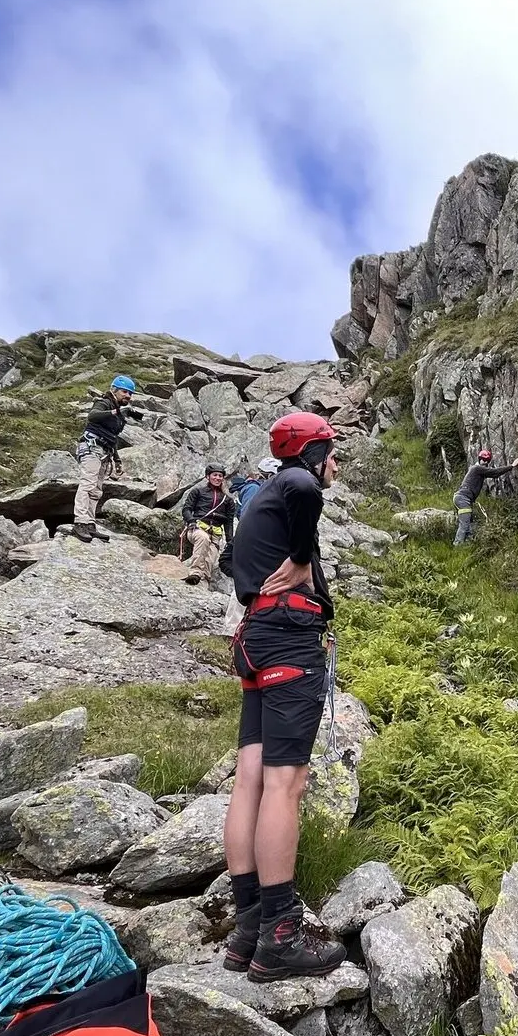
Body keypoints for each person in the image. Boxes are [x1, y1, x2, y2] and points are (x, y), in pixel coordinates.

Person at [221, 411, 346, 982]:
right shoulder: (296, 481)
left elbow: (233, 562)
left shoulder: (259, 499)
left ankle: (248, 926)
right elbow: (304, 487)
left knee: (250, 777)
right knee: (285, 783)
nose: (335, 463)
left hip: (257, 638)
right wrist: (299, 560)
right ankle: (279, 935)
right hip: (289, 638)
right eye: (331, 453)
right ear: (313, 454)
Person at [72, 375, 142, 542]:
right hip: (91, 447)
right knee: (88, 484)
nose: (128, 396)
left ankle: (89, 523)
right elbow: (92, 416)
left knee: (96, 489)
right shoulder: (104, 402)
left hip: (105, 451)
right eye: (124, 392)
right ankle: (80, 522)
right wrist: (116, 411)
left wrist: (117, 459)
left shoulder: (118, 411)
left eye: (130, 393)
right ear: (114, 390)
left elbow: (112, 437)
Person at [182, 462, 237, 585]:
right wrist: (191, 520)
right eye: (215, 475)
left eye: (220, 476)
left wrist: (230, 540)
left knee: (211, 557)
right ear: (207, 476)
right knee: (203, 538)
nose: (217, 478)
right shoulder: (197, 492)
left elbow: (228, 521)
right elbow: (186, 509)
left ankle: (203, 580)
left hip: (215, 533)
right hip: (197, 528)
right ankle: (195, 572)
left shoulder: (228, 500)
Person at [453, 448, 518, 545]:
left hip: (463, 499)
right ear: (479, 459)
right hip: (463, 499)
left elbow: (492, 474)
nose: (485, 462)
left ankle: (467, 544)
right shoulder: (477, 468)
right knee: (465, 524)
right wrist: (511, 466)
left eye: (487, 460)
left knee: (471, 523)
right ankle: (457, 545)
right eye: (483, 459)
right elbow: (495, 472)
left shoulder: (477, 470)